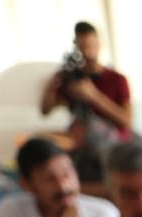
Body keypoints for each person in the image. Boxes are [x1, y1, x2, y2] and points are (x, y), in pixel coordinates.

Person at [39, 21, 133, 189]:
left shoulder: (117, 79)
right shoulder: (71, 78)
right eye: (83, 47)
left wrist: (94, 96)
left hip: (112, 148)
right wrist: (53, 84)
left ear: (99, 44)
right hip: (82, 150)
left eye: (91, 45)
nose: (88, 52)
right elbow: (45, 110)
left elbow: (127, 121)